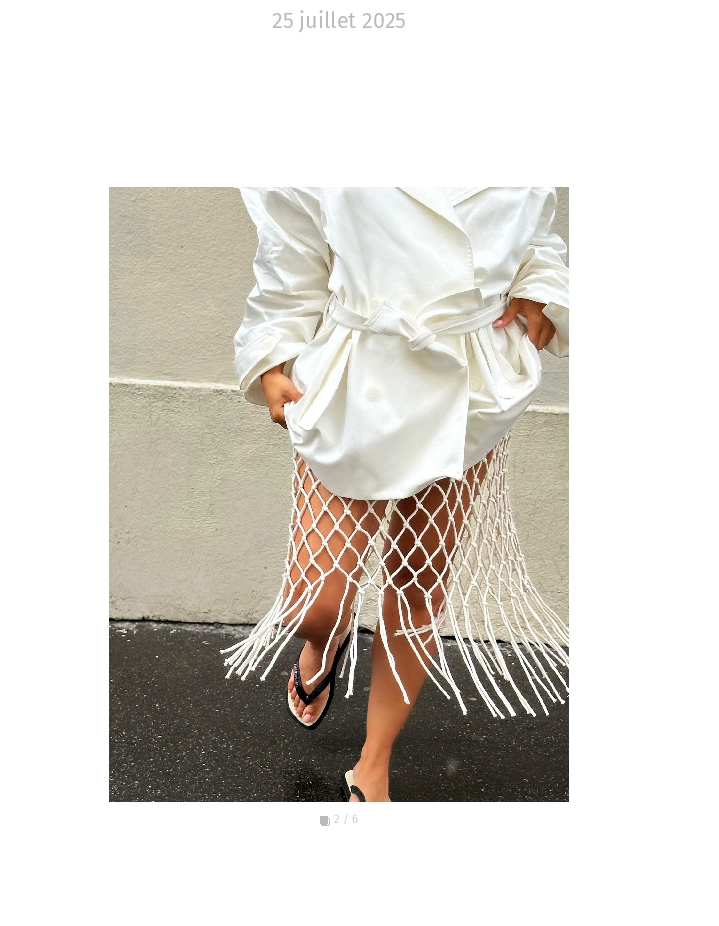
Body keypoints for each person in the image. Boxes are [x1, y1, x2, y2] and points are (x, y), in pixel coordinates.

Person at [222, 188, 569, 803]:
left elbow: (534, 232)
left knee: (418, 584)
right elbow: (292, 247)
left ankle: (373, 762)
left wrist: (539, 287)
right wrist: (273, 354)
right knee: (315, 603)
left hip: (465, 382)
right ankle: (323, 640)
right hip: (355, 376)